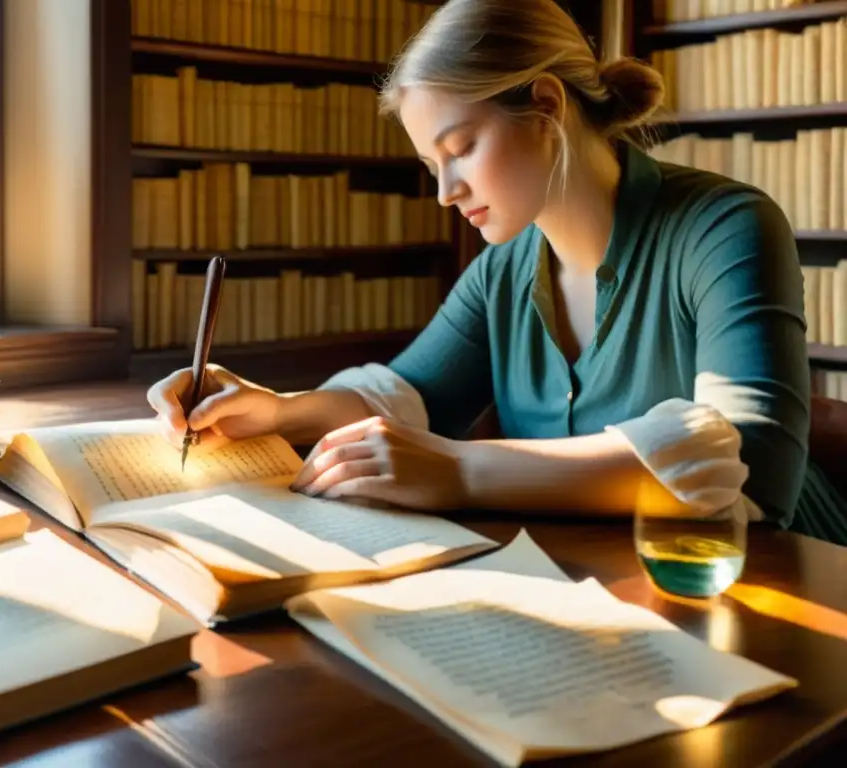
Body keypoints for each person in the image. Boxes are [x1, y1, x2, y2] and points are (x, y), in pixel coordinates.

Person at [148, 0, 847, 544]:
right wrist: (276, 410)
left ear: (545, 106)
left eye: (462, 149)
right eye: (431, 166)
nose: (446, 190)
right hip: (604, 596)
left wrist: (460, 470)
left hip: (787, 598)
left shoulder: (725, 226)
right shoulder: (503, 270)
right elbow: (407, 397)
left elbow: (753, 469)